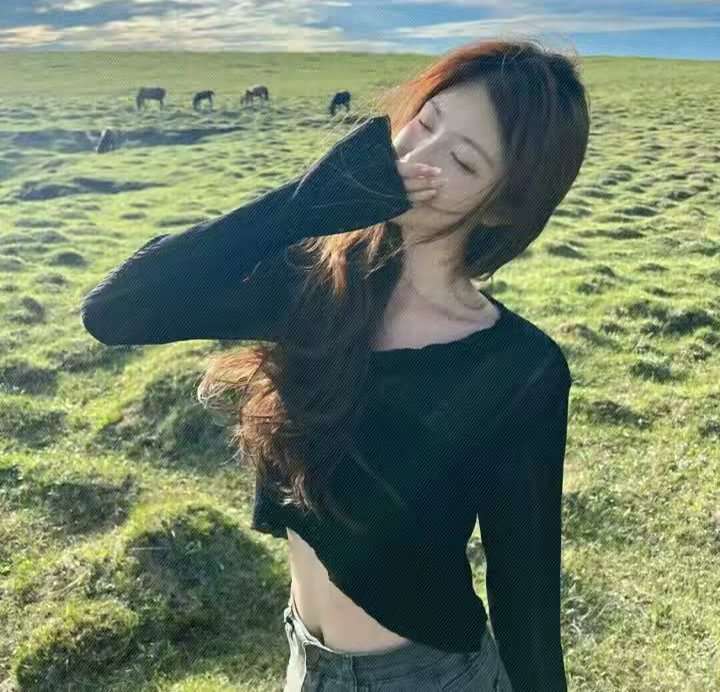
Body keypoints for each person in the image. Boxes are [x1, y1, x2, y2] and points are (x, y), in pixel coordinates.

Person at [81, 37, 590, 692]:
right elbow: (116, 311)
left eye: (462, 160)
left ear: (501, 207)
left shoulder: (520, 369)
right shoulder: (312, 283)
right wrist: (303, 205)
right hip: (305, 658)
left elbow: (526, 598)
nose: (416, 160)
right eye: (423, 124)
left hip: (430, 677)